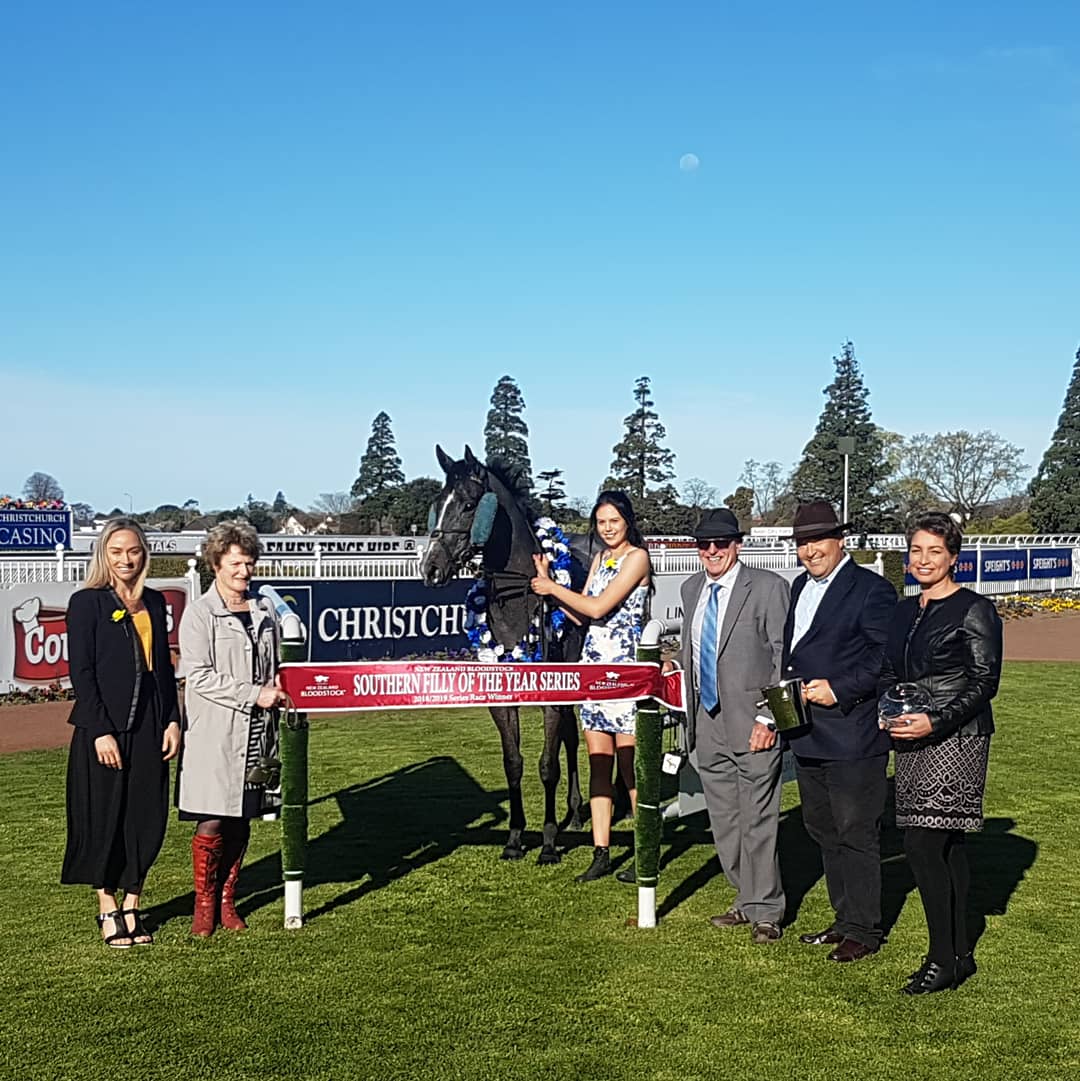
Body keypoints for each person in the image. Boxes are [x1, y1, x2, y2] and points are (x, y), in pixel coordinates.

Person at [879, 512, 1002, 994]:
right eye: (916, 550)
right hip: (910, 735)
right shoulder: (904, 610)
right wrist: (890, 710)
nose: (923, 559)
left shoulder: (974, 609)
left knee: (923, 844)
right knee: (944, 844)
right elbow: (890, 668)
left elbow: (984, 681)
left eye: (934, 551)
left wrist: (937, 720)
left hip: (957, 736)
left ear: (953, 557)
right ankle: (957, 955)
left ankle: (941, 957)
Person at [781, 500, 897, 963]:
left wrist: (841, 689)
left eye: (818, 541)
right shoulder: (798, 588)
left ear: (840, 540)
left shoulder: (871, 591)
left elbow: (885, 658)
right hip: (808, 731)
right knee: (822, 827)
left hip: (853, 732)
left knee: (856, 829)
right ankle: (843, 917)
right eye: (803, 543)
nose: (810, 551)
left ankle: (865, 929)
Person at [61, 518, 181, 947]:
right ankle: (106, 907)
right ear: (103, 555)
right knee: (103, 816)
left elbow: (163, 669)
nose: (125, 559)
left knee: (145, 816)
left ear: (143, 553)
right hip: (105, 726)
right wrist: (99, 730)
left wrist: (172, 719)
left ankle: (133, 905)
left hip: (151, 724)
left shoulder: (155, 601)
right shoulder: (87, 603)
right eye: (116, 552)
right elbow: (82, 672)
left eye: (132, 551)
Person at [673, 508, 790, 943]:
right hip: (707, 721)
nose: (711, 551)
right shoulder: (691, 589)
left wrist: (770, 718)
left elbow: (783, 658)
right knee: (724, 820)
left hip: (755, 722)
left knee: (759, 817)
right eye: (704, 544)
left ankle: (767, 910)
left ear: (737, 544)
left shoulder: (768, 588)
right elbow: (691, 652)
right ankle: (745, 899)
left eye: (720, 543)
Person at [530, 490, 651, 882]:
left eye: (614, 520)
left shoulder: (638, 559)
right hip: (594, 669)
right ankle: (601, 851)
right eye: (601, 522)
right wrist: (547, 584)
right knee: (599, 763)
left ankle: (644, 848)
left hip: (625, 670)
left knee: (630, 766)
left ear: (627, 521)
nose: (608, 528)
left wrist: (552, 590)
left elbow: (600, 607)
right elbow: (582, 613)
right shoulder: (600, 558)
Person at [177, 520, 287, 936]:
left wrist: (277, 686)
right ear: (216, 564)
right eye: (236, 563)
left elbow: (275, 663)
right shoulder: (200, 614)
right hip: (215, 731)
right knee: (212, 819)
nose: (245, 570)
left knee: (242, 816)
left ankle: (228, 899)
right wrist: (252, 693)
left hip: (259, 732)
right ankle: (203, 903)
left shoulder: (264, 610)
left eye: (249, 562)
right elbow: (199, 675)